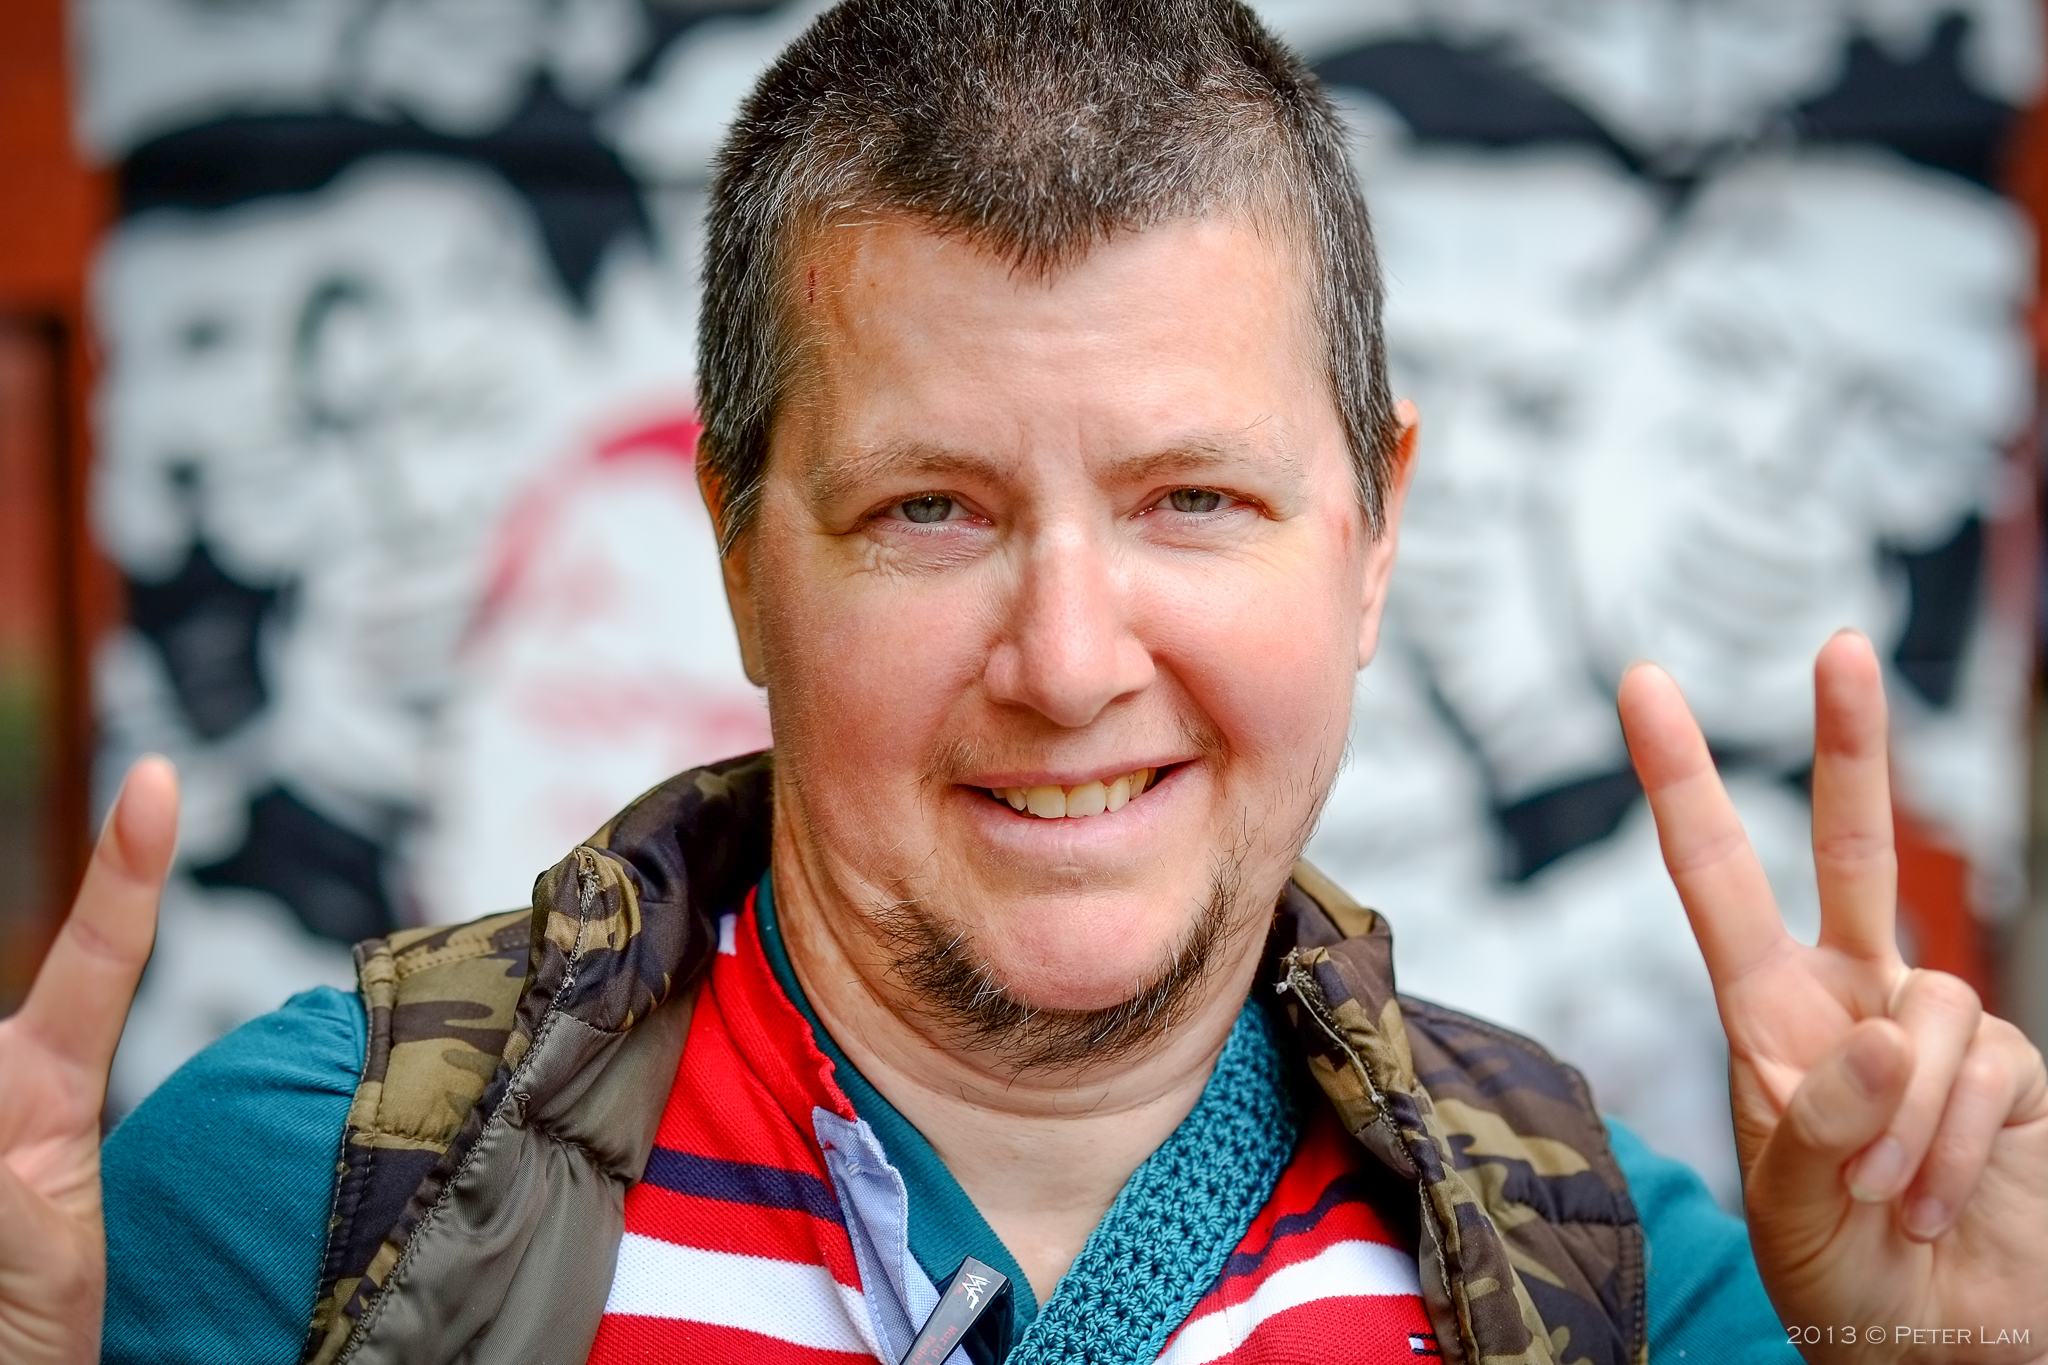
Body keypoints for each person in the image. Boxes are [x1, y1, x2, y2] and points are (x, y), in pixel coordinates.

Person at [5, 2, 2045, 1362]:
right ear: (740, 549)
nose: (1070, 663)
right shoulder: (291, 1205)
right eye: (930, 510)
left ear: (1373, 535)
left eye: (1192, 499)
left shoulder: (1640, 1289)